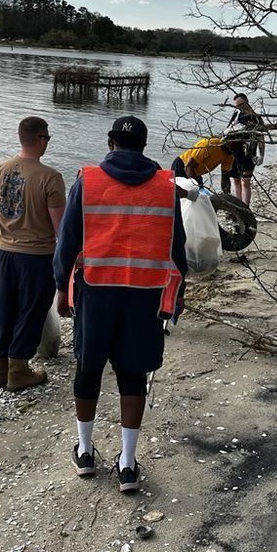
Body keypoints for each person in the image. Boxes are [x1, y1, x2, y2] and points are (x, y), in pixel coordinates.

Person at [54, 116, 188, 493]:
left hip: (96, 292)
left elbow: (67, 242)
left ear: (110, 143)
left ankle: (84, 452)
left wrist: (62, 290)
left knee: (89, 367)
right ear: (144, 146)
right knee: (132, 374)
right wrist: (175, 300)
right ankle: (127, 464)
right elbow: (177, 249)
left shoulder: (89, 179)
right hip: (145, 295)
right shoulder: (166, 186)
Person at [0, 116, 66, 391]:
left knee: (3, 305)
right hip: (37, 253)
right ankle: (18, 368)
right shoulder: (50, 178)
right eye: (47, 139)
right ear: (41, 140)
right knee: (31, 308)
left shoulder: (0, 169)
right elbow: (61, 227)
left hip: (4, 249)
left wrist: (11, 229)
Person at [222, 93, 265, 204]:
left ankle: (246, 208)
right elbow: (228, 130)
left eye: (241, 104)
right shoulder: (236, 114)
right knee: (235, 180)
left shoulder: (256, 118)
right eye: (237, 106)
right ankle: (238, 206)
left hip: (248, 153)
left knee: (245, 181)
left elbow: (261, 137)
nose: (240, 107)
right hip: (234, 152)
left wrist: (261, 155)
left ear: (247, 101)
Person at [170, 135, 238, 187]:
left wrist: (227, 197)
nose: (236, 150)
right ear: (229, 142)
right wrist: (197, 187)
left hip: (195, 173)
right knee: (180, 195)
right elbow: (188, 167)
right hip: (182, 166)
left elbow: (225, 179)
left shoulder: (229, 155)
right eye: (236, 146)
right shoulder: (210, 145)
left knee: (200, 197)